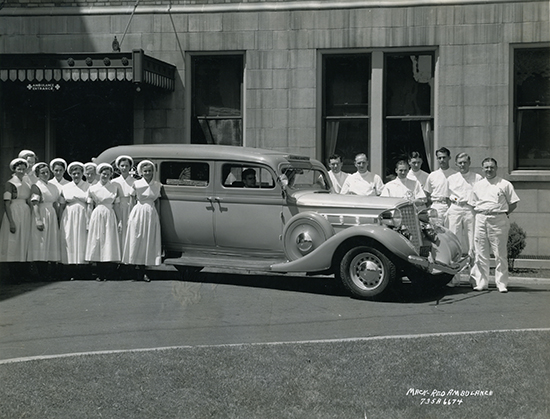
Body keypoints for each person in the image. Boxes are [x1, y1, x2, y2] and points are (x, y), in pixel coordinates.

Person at [468, 158, 520, 293]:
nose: (489, 170)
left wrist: (501, 213)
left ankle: (501, 283)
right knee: (480, 252)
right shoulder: (478, 185)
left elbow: (513, 203)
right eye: (486, 167)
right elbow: (472, 204)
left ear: (496, 168)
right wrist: (482, 214)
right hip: (481, 218)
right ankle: (482, 282)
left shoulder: (505, 184)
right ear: (482, 168)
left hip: (498, 219)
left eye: (491, 167)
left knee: (500, 253)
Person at [446, 153, 483, 286]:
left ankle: (475, 279)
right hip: (455, 209)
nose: (462, 165)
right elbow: (447, 196)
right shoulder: (451, 178)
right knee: (454, 243)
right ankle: (454, 279)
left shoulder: (477, 178)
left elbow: (480, 195)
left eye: (465, 162)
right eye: (460, 162)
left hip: (470, 210)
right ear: (456, 164)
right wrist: (456, 201)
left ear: (469, 163)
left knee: (474, 243)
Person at [122, 160, 162, 282]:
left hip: (151, 212)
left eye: (150, 171)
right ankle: (136, 270)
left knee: (148, 240)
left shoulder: (157, 185)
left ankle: (145, 270)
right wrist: (130, 216)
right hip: (138, 212)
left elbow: (157, 201)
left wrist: (158, 216)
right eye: (145, 171)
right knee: (137, 238)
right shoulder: (137, 184)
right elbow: (132, 200)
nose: (148, 173)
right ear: (141, 172)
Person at [85, 163, 122, 281]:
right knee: (98, 240)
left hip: (110, 214)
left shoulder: (114, 188)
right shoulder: (92, 188)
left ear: (111, 175)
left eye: (108, 174)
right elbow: (90, 206)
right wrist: (88, 220)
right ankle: (99, 272)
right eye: (103, 174)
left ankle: (108, 272)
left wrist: (119, 220)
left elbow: (116, 206)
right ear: (99, 174)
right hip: (97, 214)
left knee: (108, 241)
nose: (105, 176)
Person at [0, 158, 32, 280]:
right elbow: (6, 203)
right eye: (19, 169)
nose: (22, 171)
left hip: (25, 212)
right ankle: (14, 275)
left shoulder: (27, 183)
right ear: (14, 169)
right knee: (13, 242)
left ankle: (23, 273)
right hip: (13, 212)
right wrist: (11, 222)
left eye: (24, 169)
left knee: (23, 241)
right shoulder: (10, 183)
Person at [28, 162, 61, 279]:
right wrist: (38, 220)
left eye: (47, 172)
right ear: (37, 174)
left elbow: (57, 202)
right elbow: (35, 204)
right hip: (41, 213)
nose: (46, 174)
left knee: (51, 240)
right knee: (41, 241)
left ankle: (50, 271)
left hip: (51, 213)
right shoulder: (36, 186)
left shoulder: (53, 186)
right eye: (43, 173)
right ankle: (41, 272)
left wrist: (58, 216)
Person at [59, 161, 90, 279]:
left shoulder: (88, 186)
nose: (76, 176)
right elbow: (62, 205)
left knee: (82, 239)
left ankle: (82, 270)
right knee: (70, 239)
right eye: (73, 173)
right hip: (69, 216)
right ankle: (70, 270)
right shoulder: (65, 187)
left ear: (82, 173)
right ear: (70, 174)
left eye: (78, 173)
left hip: (83, 214)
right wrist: (60, 219)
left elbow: (91, 204)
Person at [424, 147, 456, 225]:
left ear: (449, 158)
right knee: (436, 232)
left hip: (450, 207)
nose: (442, 160)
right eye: (439, 158)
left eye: (444, 157)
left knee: (450, 233)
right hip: (436, 206)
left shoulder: (456, 175)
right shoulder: (432, 175)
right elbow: (427, 193)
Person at [112, 155, 135, 247]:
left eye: (126, 165)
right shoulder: (114, 182)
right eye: (122, 166)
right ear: (118, 167)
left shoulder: (135, 181)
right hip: (118, 208)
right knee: (119, 230)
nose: (124, 168)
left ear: (130, 167)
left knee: (130, 230)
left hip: (131, 207)